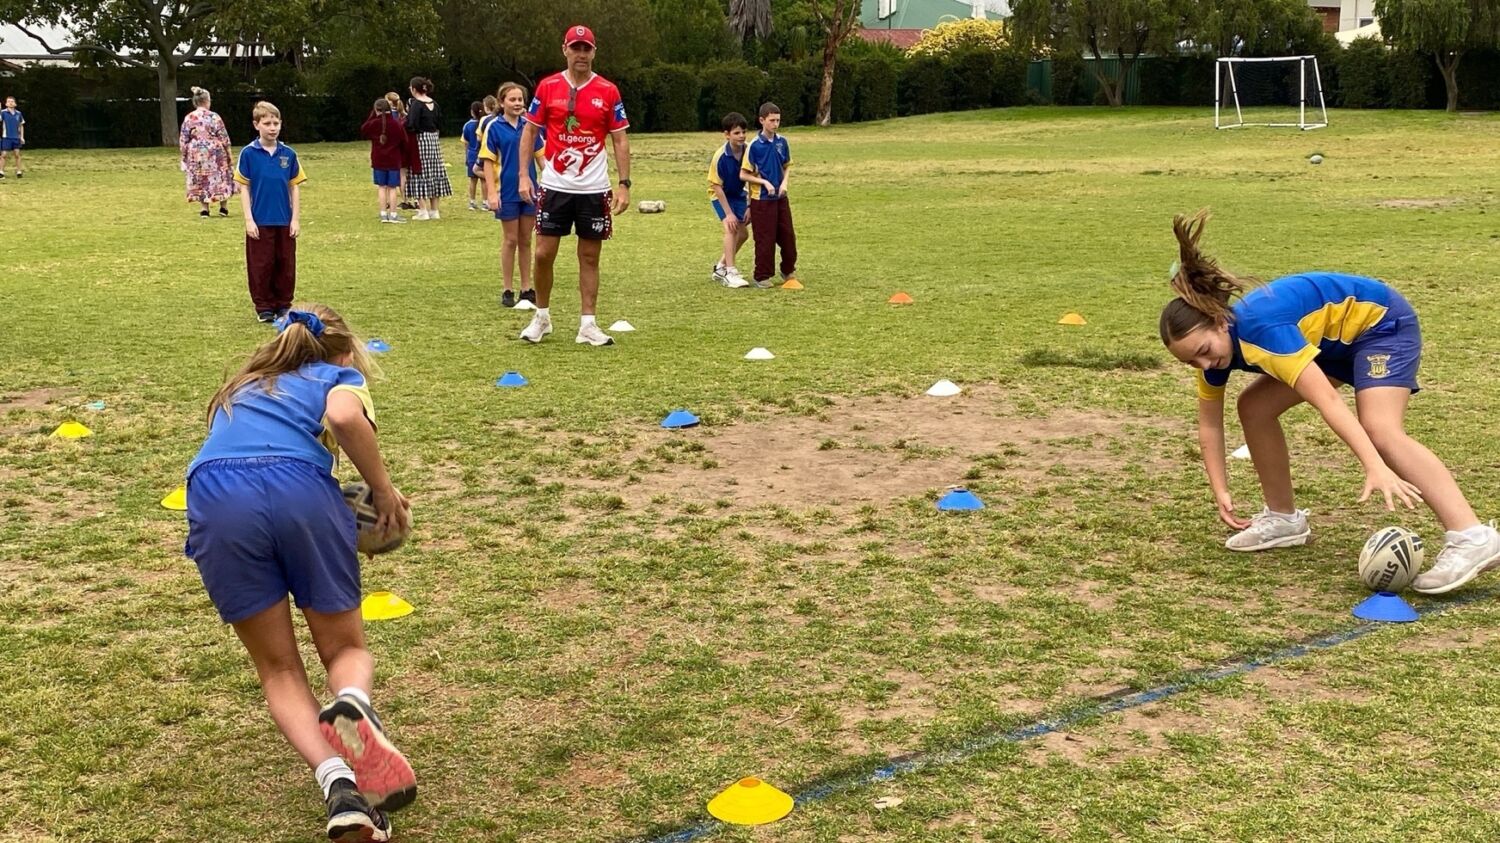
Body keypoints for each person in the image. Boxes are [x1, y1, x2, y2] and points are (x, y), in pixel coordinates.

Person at [1160, 209, 1500, 595]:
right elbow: (1209, 424)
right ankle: (1284, 519)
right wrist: (1220, 487)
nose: (1203, 364)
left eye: (1203, 351)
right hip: (1331, 345)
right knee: (1254, 406)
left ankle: (1471, 536)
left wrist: (1375, 466)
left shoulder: (1265, 333)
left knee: (1381, 429)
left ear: (1220, 320)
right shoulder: (1213, 353)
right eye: (1190, 361)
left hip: (1380, 326)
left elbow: (1329, 403)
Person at [184, 303, 415, 842]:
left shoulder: (242, 388)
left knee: (279, 669)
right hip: (299, 488)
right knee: (344, 650)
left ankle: (340, 788)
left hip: (216, 495)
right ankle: (353, 705)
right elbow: (342, 418)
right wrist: (381, 490)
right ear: (342, 352)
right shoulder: (341, 376)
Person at [516, 24, 632, 347]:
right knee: (542, 253)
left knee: (590, 256)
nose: (581, 54)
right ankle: (541, 316)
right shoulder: (548, 86)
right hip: (555, 184)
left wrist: (624, 184)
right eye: (575, 47)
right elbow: (529, 132)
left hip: (594, 188)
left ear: (594, 52)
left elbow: (620, 139)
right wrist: (524, 176)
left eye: (587, 48)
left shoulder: (608, 91)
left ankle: (588, 324)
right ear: (564, 49)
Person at [234, 101, 305, 323]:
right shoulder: (248, 153)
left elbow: (294, 187)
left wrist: (295, 219)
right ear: (257, 125)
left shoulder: (289, 154)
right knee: (261, 264)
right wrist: (248, 220)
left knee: (285, 263)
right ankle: (263, 306)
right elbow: (244, 188)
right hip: (260, 220)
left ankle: (283, 305)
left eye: (276, 123)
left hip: (284, 220)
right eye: (267, 123)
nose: (272, 127)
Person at [481, 82, 543, 309]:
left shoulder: (530, 126)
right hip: (505, 191)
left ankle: (526, 288)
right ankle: (507, 288)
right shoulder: (493, 127)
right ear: (501, 103)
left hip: (530, 191)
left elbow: (541, 157)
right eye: (512, 100)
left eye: (520, 100)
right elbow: (487, 162)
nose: (517, 104)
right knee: (510, 239)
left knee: (526, 240)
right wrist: (491, 193)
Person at [741, 102, 797, 290]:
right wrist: (764, 183)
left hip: (780, 198)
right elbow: (744, 174)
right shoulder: (754, 146)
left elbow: (787, 165)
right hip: (761, 201)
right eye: (772, 120)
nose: (775, 124)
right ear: (762, 120)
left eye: (778, 120)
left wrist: (784, 183)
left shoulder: (782, 142)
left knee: (788, 236)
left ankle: (788, 270)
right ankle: (762, 276)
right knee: (765, 239)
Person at [707, 111, 752, 289]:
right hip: (720, 195)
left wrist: (750, 205)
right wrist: (728, 214)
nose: (741, 136)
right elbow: (716, 186)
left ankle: (721, 267)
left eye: (743, 132)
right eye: (736, 133)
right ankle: (730, 272)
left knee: (743, 234)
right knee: (731, 227)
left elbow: (752, 177)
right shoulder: (720, 157)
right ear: (726, 135)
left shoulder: (749, 151)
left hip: (739, 194)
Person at [179, 87, 235, 218]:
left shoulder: (189, 118)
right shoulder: (214, 117)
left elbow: (183, 139)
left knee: (200, 178)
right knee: (220, 176)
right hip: (215, 151)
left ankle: (205, 209)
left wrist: (184, 156)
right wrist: (229, 154)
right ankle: (223, 207)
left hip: (196, 152)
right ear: (207, 101)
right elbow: (224, 137)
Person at [403, 77, 452, 220]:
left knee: (419, 172)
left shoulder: (416, 104)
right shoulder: (434, 104)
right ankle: (434, 210)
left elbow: (411, 124)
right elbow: (439, 122)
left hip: (420, 141)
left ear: (413, 89)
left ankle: (422, 210)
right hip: (434, 140)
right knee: (435, 172)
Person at [360, 98, 409, 224]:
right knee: (392, 188)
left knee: (381, 187)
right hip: (393, 160)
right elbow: (405, 142)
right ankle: (393, 214)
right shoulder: (396, 124)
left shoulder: (373, 124)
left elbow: (363, 129)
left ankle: (383, 213)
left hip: (378, 159)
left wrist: (372, 116)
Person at [386, 92, 419, 211]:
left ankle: (405, 200)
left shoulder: (391, 117)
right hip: (408, 147)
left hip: (397, 149)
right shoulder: (405, 116)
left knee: (401, 175)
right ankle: (416, 199)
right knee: (410, 173)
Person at [461, 101, 485, 211]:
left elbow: (465, 142)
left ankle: (472, 201)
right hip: (483, 154)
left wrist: (466, 156)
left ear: (472, 112)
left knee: (473, 180)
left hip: (471, 154)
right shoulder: (484, 124)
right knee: (484, 179)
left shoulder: (467, 125)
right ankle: (485, 201)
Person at [0, 96, 24, 178]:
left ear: (15, 103)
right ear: (6, 103)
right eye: (8, 101)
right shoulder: (3, 113)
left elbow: (21, 126)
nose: (10, 102)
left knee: (17, 154)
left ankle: (19, 171)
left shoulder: (18, 113)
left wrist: (21, 137)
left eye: (12, 101)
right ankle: (1, 172)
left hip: (16, 137)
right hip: (6, 137)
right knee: (4, 154)